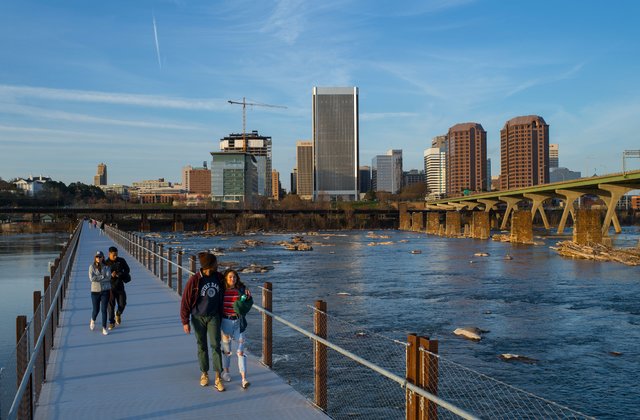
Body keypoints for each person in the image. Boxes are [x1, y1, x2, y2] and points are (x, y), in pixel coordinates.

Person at [180, 252, 226, 392]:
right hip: (198, 317)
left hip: (213, 317)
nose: (217, 265)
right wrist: (185, 321)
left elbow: (230, 287)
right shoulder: (195, 280)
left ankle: (218, 377)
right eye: (215, 263)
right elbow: (186, 301)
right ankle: (204, 373)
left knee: (216, 345)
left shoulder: (218, 277)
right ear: (209, 265)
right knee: (202, 346)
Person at [220, 269, 253, 389]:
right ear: (225, 278)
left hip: (239, 322)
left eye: (234, 277)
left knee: (240, 351)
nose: (232, 279)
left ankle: (244, 379)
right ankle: (226, 372)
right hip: (225, 322)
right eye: (229, 277)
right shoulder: (221, 290)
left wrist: (248, 297)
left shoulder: (242, 290)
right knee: (227, 350)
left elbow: (248, 303)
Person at [104, 246, 130, 330]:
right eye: (113, 255)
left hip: (120, 286)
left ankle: (118, 314)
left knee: (123, 304)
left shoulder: (121, 260)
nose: (115, 256)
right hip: (110, 287)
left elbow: (127, 270)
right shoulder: (105, 263)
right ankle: (112, 322)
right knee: (111, 306)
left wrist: (120, 273)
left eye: (116, 255)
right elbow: (102, 276)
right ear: (109, 254)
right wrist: (111, 275)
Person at [89, 251, 111, 336]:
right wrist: (102, 276)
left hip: (105, 291)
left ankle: (104, 327)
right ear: (95, 258)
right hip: (95, 291)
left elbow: (108, 277)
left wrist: (97, 278)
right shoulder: (91, 267)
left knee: (104, 309)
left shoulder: (107, 267)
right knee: (96, 310)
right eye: (97, 257)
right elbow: (91, 279)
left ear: (103, 257)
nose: (98, 258)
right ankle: (92, 320)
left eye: (100, 256)